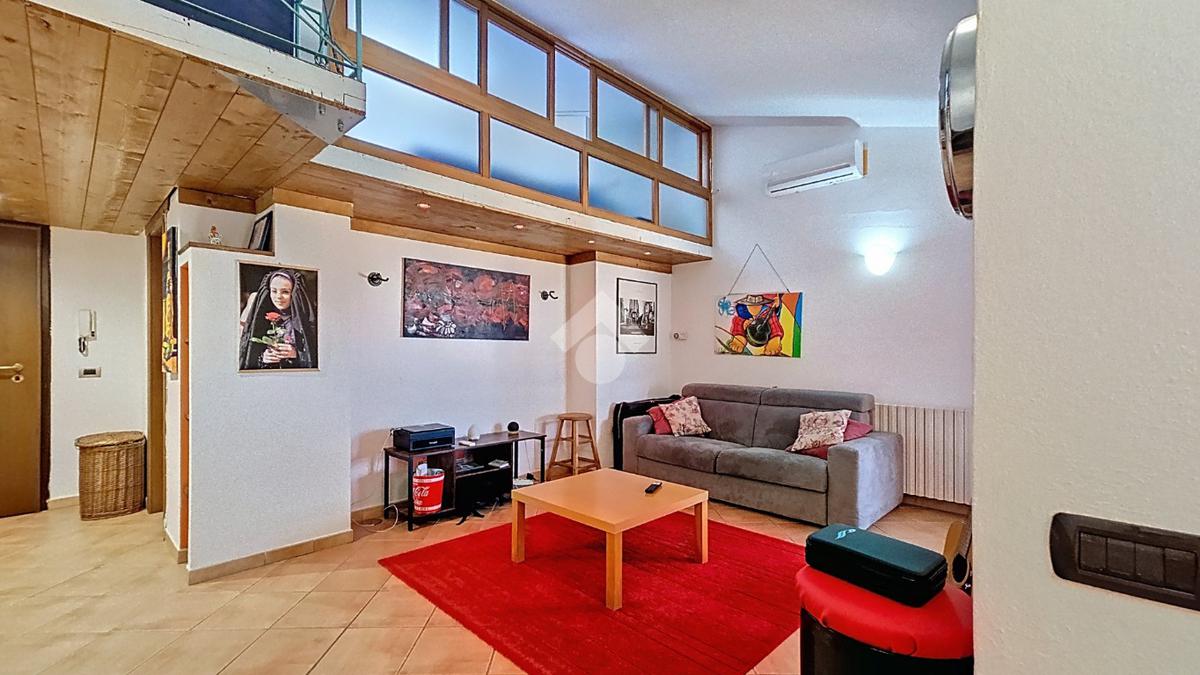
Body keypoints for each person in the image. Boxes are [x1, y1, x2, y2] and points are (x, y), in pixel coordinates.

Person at [238, 268, 317, 370]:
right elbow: (247, 352)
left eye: (285, 292)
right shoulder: (259, 317)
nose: (278, 296)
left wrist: (297, 354)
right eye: (274, 291)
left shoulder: (307, 318)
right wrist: (263, 357)